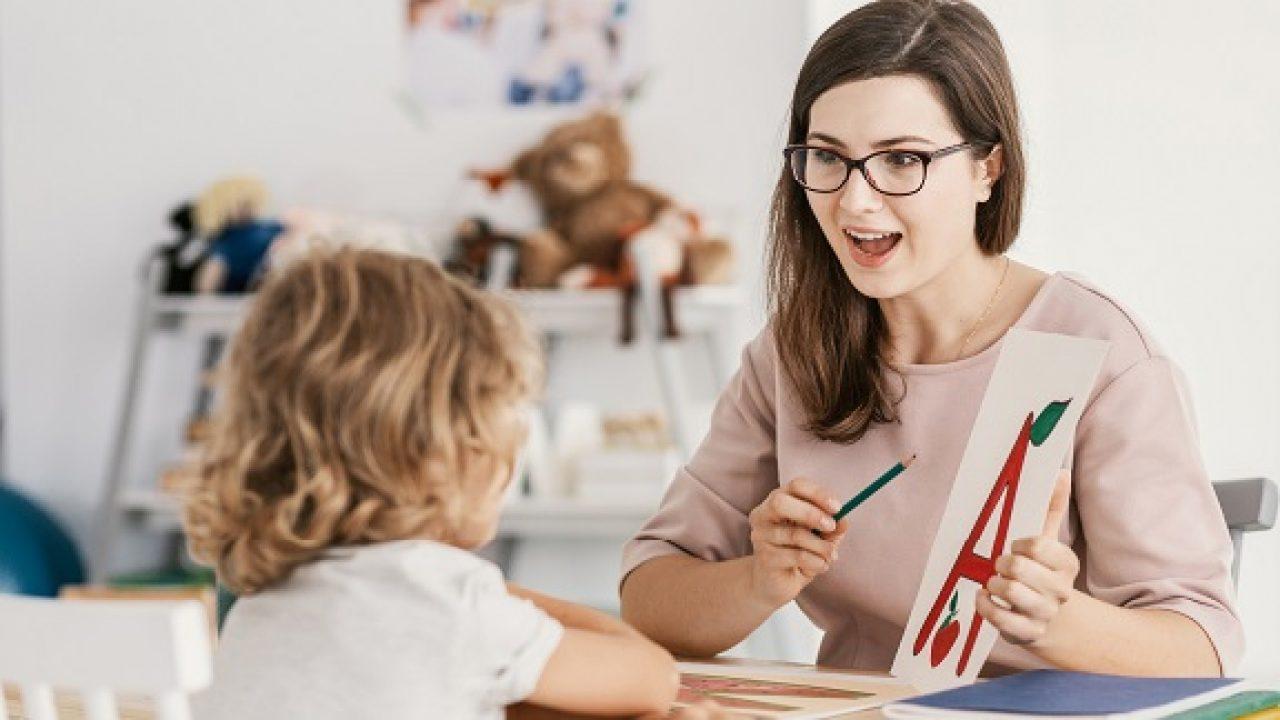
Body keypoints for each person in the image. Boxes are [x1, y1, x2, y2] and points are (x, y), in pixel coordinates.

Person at [619, 0, 1242, 678]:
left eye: (902, 160)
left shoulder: (1100, 353)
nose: (856, 201)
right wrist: (759, 579)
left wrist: (1057, 622)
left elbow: (1203, 648)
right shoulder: (797, 350)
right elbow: (651, 600)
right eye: (828, 156)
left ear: (988, 168)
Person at [185, 248, 677, 718]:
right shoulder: (449, 600)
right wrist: (495, 592)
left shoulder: (257, 601)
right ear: (450, 453)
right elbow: (654, 677)